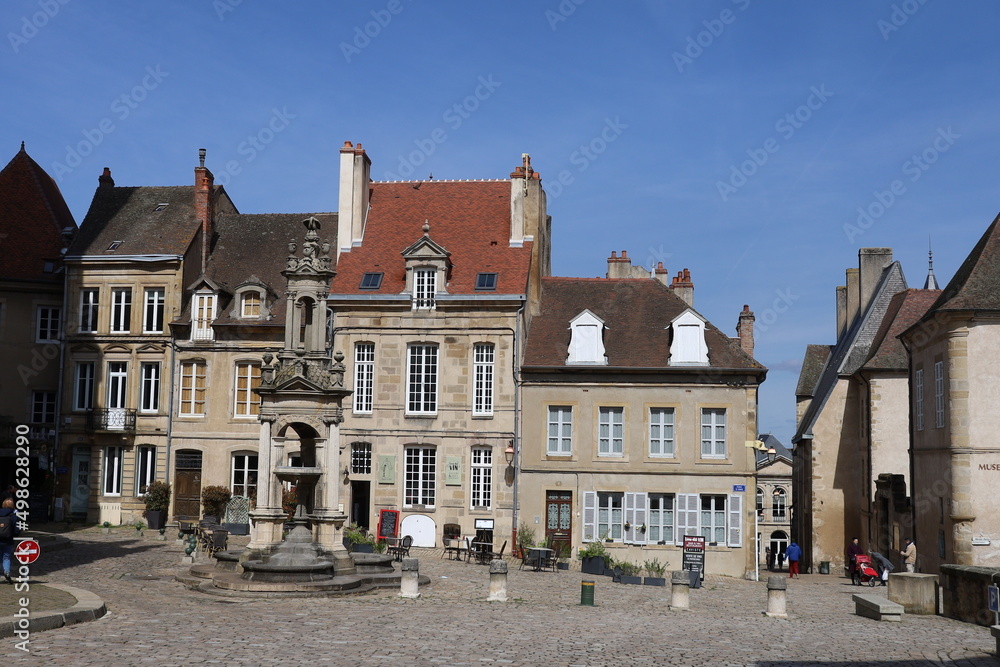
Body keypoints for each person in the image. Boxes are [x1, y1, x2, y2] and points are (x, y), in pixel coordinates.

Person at [0, 497, 19, 584]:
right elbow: (16, 530)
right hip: (7, 540)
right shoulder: (13, 516)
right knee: (6, 557)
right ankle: (7, 572)